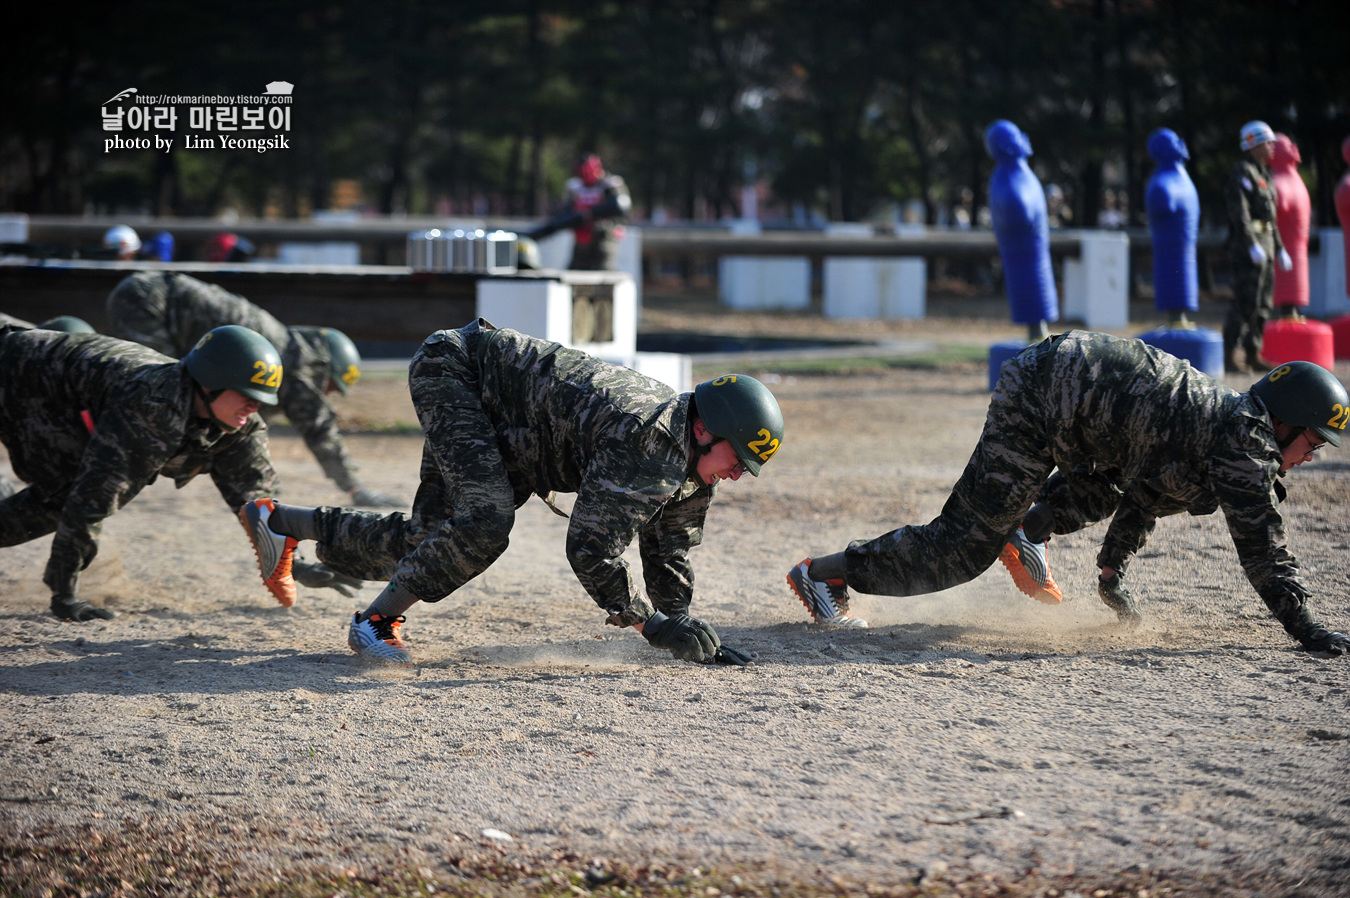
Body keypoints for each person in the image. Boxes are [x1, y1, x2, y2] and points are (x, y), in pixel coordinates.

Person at [237, 319, 784, 666]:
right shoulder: (651, 440)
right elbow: (591, 549)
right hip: (459, 371)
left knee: (430, 542)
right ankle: (374, 623)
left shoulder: (693, 459)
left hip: (522, 431)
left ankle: (282, 522)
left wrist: (682, 620)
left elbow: (670, 543)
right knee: (483, 524)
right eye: (738, 459)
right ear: (705, 430)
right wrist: (649, 622)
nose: (737, 474)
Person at [786, 330, 1350, 657]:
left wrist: (1111, 576)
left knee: (1097, 492)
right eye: (1313, 443)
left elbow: (1142, 496)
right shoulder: (1245, 445)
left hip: (1082, 419)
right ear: (1287, 423)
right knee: (961, 549)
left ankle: (1027, 532)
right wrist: (1306, 627)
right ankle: (825, 574)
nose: (1309, 457)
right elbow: (1263, 547)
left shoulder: (1228, 428)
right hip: (1042, 395)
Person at [0, 323, 354, 621]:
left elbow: (258, 505)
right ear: (210, 382)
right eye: (246, 393)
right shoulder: (154, 406)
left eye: (260, 398)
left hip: (48, 395)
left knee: (56, 494)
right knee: (66, 493)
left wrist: (295, 564)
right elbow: (95, 496)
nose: (255, 405)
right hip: (15, 376)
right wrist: (65, 594)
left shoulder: (241, 425)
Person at [106, 271, 405, 507]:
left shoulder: (292, 348)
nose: (325, 395)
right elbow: (319, 428)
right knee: (161, 389)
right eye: (329, 388)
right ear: (328, 369)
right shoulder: (302, 363)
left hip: (147, 292)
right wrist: (356, 489)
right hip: (149, 299)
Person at [1223, 120, 1293, 374]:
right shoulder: (1243, 173)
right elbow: (1239, 214)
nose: (1272, 147)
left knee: (1263, 304)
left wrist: (1280, 248)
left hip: (1265, 247)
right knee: (1244, 302)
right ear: (1253, 144)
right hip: (1247, 250)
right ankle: (1229, 355)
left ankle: (1253, 353)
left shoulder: (1264, 174)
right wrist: (1251, 245)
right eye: (1267, 142)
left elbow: (1270, 219)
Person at [561, 154, 631, 271]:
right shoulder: (574, 187)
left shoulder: (610, 185)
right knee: (575, 274)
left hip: (603, 238)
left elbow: (622, 209)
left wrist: (595, 217)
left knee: (603, 273)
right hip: (581, 241)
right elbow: (565, 210)